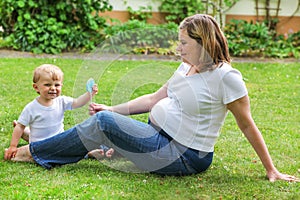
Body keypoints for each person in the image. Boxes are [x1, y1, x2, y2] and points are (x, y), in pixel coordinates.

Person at [5, 14, 299, 182]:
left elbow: (247, 125)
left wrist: (271, 169)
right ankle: (99, 146)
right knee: (106, 120)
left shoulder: (226, 77)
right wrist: (113, 107)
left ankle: (35, 151)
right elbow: (154, 97)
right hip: (158, 136)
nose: (178, 48)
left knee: (104, 124)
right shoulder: (186, 66)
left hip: (184, 156)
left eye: (183, 42)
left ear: (203, 42)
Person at [4, 64, 107, 160]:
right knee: (21, 155)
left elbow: (77, 102)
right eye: (47, 85)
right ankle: (89, 153)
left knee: (70, 144)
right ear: (36, 87)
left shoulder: (61, 101)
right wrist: (13, 146)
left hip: (59, 141)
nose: (53, 88)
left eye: (57, 85)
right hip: (41, 146)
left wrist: (89, 94)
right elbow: (20, 127)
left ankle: (89, 152)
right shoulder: (31, 108)